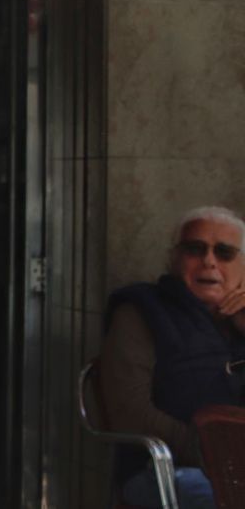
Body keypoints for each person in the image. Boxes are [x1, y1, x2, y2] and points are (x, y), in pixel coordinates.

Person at [103, 205, 245, 509]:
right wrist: (213, 452)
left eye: (224, 252)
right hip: (166, 468)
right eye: (195, 249)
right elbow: (129, 411)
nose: (209, 261)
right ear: (174, 258)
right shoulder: (141, 312)